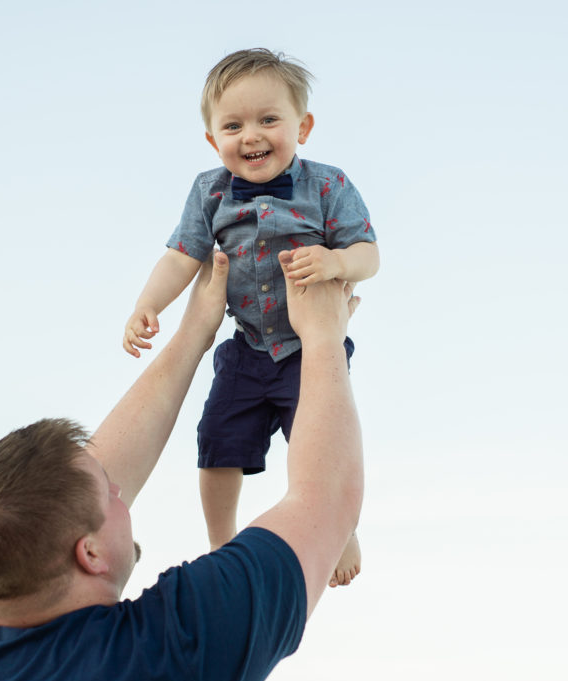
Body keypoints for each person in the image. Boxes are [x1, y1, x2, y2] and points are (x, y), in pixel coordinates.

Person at [0, 252, 364, 681]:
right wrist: (324, 337)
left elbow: (74, 487)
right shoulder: (166, 652)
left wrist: (193, 333)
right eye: (110, 493)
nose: (120, 491)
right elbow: (326, 501)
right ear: (90, 554)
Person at [123, 48, 378, 587]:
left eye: (269, 120)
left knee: (321, 442)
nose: (251, 135)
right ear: (214, 140)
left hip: (309, 348)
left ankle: (340, 527)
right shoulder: (208, 191)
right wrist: (148, 304)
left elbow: (368, 254)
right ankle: (222, 540)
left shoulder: (327, 186)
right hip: (245, 346)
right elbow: (181, 256)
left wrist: (335, 260)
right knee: (216, 440)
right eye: (233, 125)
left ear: (302, 127)